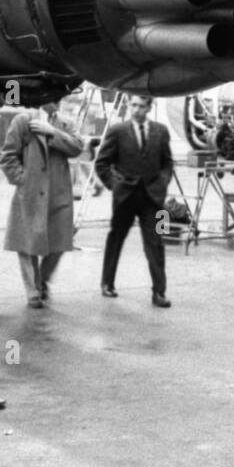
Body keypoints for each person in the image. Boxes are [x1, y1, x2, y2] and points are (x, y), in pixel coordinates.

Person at [0, 104, 83, 309]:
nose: (57, 100)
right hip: (31, 193)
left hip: (58, 192)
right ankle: (33, 291)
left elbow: (77, 147)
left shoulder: (65, 124)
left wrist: (53, 132)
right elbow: (7, 157)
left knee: (60, 241)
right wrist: (24, 180)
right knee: (27, 243)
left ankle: (43, 280)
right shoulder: (23, 121)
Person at [94, 95, 174, 308]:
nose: (136, 109)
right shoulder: (117, 131)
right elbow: (101, 163)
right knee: (116, 238)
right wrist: (115, 185)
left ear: (149, 107)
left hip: (153, 199)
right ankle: (107, 283)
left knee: (156, 242)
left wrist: (162, 183)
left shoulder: (161, 131)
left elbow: (168, 163)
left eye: (141, 106)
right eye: (133, 105)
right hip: (125, 197)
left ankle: (159, 292)